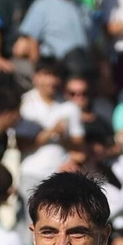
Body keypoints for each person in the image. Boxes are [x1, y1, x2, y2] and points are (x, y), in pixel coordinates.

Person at [15, 59, 82, 200]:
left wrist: (64, 139)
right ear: (36, 77)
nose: (51, 81)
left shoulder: (70, 107)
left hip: (62, 175)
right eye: (46, 74)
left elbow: (79, 145)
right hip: (32, 174)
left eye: (55, 75)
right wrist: (52, 132)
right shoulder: (25, 104)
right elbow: (21, 144)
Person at [17, 0, 95, 77]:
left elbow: (93, 41)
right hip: (57, 69)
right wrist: (38, 72)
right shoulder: (42, 5)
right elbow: (33, 41)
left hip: (83, 67)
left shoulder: (82, 7)